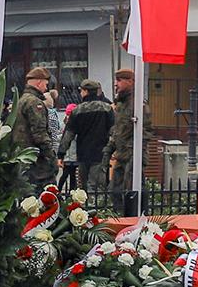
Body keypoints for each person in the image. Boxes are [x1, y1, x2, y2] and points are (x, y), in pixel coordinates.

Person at [59, 79, 114, 191]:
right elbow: (114, 131)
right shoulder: (107, 108)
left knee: (83, 188)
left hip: (83, 153)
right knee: (97, 187)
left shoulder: (77, 110)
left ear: (85, 91)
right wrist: (113, 149)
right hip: (101, 153)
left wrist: (61, 154)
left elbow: (68, 135)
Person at [103, 68, 138, 209]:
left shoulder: (136, 104)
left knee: (131, 192)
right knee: (115, 191)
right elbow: (117, 130)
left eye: (119, 80)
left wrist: (136, 158)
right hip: (122, 154)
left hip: (132, 156)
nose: (115, 84)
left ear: (130, 81)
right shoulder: (121, 104)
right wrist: (108, 150)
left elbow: (144, 133)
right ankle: (120, 216)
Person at [17, 67, 58, 186]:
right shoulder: (35, 103)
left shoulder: (21, 100)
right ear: (39, 83)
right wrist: (51, 157)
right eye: (45, 84)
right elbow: (40, 133)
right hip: (37, 161)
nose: (46, 88)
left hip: (23, 156)